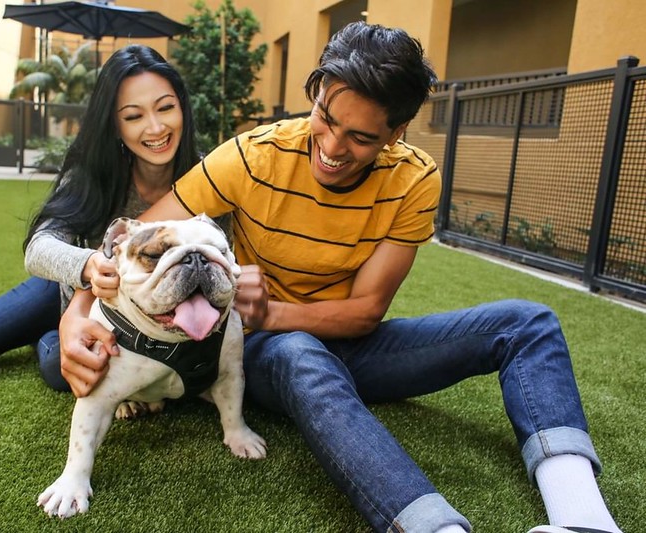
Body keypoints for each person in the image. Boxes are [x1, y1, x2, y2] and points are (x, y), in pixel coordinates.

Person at [58, 22, 623, 533]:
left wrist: (267, 311)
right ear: (316, 94)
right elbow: (138, 241)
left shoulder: (415, 179)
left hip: (351, 341)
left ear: (397, 132)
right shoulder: (253, 156)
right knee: (301, 353)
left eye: (361, 138)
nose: (331, 147)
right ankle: (433, 528)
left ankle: (582, 517)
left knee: (529, 323)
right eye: (326, 118)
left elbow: (365, 312)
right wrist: (75, 315)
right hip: (271, 353)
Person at [0, 44, 202, 392]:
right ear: (114, 125)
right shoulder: (92, 172)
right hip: (60, 291)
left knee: (61, 369)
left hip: (124, 318)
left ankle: (42, 334)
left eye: (166, 108)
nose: (155, 128)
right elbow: (39, 247)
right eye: (133, 116)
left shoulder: (207, 176)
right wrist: (89, 264)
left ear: (182, 106)